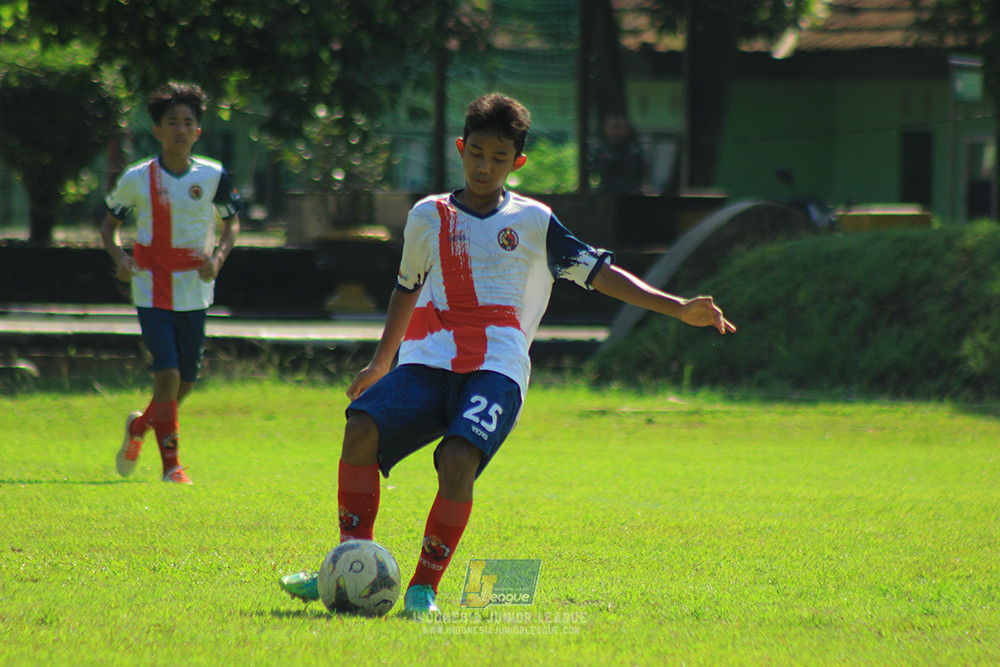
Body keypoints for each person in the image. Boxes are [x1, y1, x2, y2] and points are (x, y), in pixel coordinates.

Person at [278, 93, 734, 615]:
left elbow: (600, 274)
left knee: (457, 459)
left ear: (516, 162)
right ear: (460, 148)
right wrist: (381, 363)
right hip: (428, 362)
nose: (483, 167)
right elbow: (406, 287)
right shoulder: (429, 215)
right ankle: (345, 562)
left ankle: (424, 588)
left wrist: (677, 307)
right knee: (359, 427)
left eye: (498, 158)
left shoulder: (536, 221)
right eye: (475, 153)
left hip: (497, 369)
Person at [100, 82, 242, 485]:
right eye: (172, 122)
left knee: (185, 385)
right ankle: (172, 466)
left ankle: (139, 427)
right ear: (157, 130)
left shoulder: (213, 175)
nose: (181, 130)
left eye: (188, 123)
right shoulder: (137, 178)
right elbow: (109, 226)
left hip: (195, 291)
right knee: (168, 378)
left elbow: (231, 221)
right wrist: (121, 258)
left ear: (198, 132)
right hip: (150, 287)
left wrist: (218, 258)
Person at [592, 114, 646, 194]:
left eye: (621, 128)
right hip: (604, 193)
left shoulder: (635, 152)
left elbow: (642, 176)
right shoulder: (599, 152)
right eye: (614, 127)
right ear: (606, 129)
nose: (617, 132)